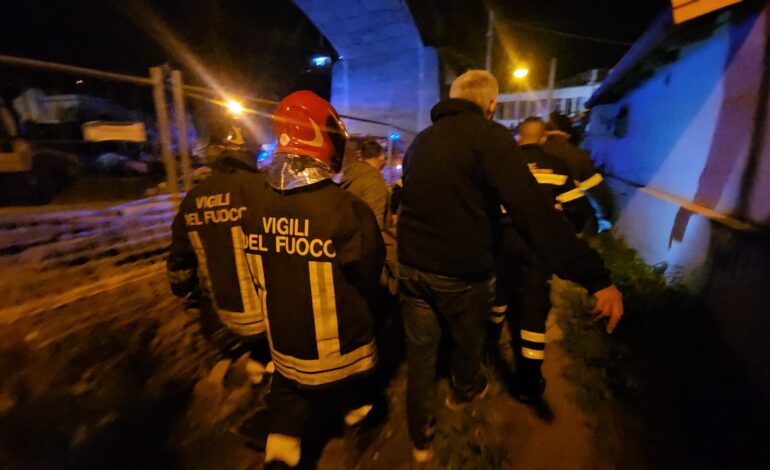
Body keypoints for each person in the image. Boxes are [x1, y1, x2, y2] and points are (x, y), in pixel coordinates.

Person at [397, 70, 624, 464]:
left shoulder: (421, 142)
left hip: (413, 269)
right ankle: (462, 393)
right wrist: (595, 277)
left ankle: (421, 440)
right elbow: (534, 212)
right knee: (470, 345)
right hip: (462, 274)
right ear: (490, 105)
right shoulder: (490, 139)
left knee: (420, 358)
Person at [241, 91, 385, 469]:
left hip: (285, 347)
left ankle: (279, 459)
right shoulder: (347, 208)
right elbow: (369, 275)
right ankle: (360, 422)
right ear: (321, 139)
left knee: (287, 409)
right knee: (362, 387)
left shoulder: (254, 202)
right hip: (345, 351)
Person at [488, 116, 594, 404]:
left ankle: (489, 346)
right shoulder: (558, 169)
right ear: (544, 137)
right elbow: (579, 211)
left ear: (518, 137)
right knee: (534, 310)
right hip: (538, 247)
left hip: (504, 244)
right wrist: (562, 234)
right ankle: (528, 381)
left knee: (499, 297)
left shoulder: (502, 165)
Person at [167, 128, 267, 359]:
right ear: (249, 154)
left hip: (225, 322)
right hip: (274, 322)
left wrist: (196, 308)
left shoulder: (192, 200)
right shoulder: (264, 189)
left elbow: (179, 269)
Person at [544, 112, 614, 232]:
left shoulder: (532, 154)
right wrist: (608, 214)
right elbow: (599, 193)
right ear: (567, 134)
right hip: (565, 221)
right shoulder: (577, 156)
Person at [340, 140, 389, 229]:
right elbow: (374, 219)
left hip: (348, 232)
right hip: (363, 237)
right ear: (381, 157)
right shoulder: (373, 180)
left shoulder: (351, 175)